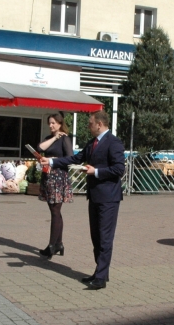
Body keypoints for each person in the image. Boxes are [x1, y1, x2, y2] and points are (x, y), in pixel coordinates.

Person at [40, 111, 125, 289]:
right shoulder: (92, 143)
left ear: (99, 124)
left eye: (90, 123)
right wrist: (51, 162)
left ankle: (100, 278)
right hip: (94, 196)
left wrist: (96, 172)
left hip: (109, 198)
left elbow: (119, 169)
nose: (88, 126)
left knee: (105, 238)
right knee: (96, 237)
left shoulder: (113, 142)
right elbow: (75, 158)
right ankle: (101, 272)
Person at [37, 113, 73, 259]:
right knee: (55, 210)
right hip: (48, 176)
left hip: (59, 177)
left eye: (53, 123)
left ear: (60, 123)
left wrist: (53, 160)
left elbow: (70, 158)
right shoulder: (50, 138)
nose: (51, 125)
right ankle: (58, 244)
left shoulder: (65, 139)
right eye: (49, 123)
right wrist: (54, 137)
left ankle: (52, 245)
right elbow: (40, 147)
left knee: (55, 211)